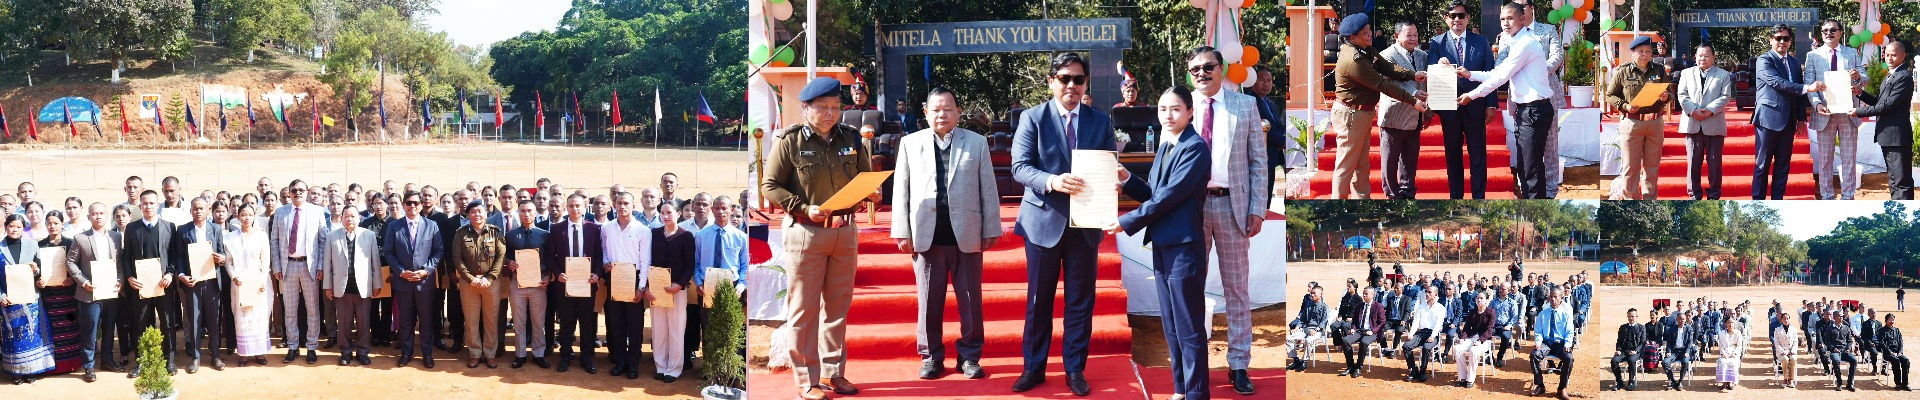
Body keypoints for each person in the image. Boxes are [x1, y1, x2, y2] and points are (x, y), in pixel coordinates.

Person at [763, 75, 880, 400]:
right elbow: (769, 186)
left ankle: (833, 373)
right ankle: (807, 381)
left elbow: (864, 176)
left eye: (835, 107)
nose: (830, 113)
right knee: (804, 309)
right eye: (823, 108)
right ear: (805, 108)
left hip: (844, 233)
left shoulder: (852, 138)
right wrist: (802, 207)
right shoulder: (789, 141)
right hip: (805, 233)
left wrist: (871, 192)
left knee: (838, 308)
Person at [1006, 51, 1115, 397]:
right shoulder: (1032, 118)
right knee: (1039, 301)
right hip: (1042, 223)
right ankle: (1034, 368)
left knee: (1080, 302)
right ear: (1051, 81)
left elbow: (1109, 166)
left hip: (1086, 224)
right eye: (1064, 78)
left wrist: (1112, 181)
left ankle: (1074, 369)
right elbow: (1020, 167)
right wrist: (1052, 181)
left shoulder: (1101, 121)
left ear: (1085, 84)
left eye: (1078, 79)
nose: (1071, 85)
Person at [1100, 85, 1213, 399]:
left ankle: (1197, 393)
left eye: (1175, 109)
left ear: (1190, 112)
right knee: (1172, 323)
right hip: (1164, 243)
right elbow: (1154, 191)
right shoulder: (1167, 145)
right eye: (1163, 109)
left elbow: (1169, 197)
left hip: (1184, 247)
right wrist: (1128, 181)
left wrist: (1126, 221)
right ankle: (1181, 388)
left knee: (1189, 326)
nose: (1168, 115)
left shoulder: (1195, 147)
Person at [890, 87, 1000, 380]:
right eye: (936, 109)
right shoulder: (910, 144)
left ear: (958, 112)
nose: (942, 114)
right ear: (925, 113)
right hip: (927, 236)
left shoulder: (976, 143)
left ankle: (970, 355)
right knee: (928, 301)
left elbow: (988, 188)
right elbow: (901, 190)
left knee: (970, 300)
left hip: (968, 234)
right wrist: (902, 230)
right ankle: (931, 356)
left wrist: (991, 227)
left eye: (948, 109)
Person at [1184, 45, 1267, 394]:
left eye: (1208, 67)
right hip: (1190, 211)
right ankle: (1192, 364)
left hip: (1233, 207)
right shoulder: (1179, 106)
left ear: (1221, 69)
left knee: (1236, 289)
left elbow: (1258, 163)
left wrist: (1257, 208)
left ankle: (1238, 365)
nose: (1202, 73)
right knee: (1189, 288)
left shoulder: (1245, 105)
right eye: (1195, 69)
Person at [1455, 3, 1553, 198]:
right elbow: (1496, 73)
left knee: (1531, 171)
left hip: (1534, 112)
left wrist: (1471, 95)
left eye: (1510, 18)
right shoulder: (1517, 42)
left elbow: (1500, 78)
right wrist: (1469, 74)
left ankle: (1535, 215)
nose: (1505, 23)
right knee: (1526, 168)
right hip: (1527, 112)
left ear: (1522, 19)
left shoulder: (1525, 44)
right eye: (1502, 19)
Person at [1331, 14, 1426, 199]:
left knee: (1361, 166)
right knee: (1345, 167)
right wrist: (1413, 100)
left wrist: (1412, 75)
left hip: (1361, 114)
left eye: (1369, 31)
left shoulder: (1365, 50)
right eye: (1365, 33)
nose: (1370, 35)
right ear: (1352, 38)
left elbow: (1387, 67)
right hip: (1351, 115)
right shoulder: (1354, 60)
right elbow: (1383, 84)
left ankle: (1361, 202)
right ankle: (1339, 202)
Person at [1427, 1, 1495, 199]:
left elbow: (1491, 74)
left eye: (1461, 15)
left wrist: (1491, 104)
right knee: (1453, 156)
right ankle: (1455, 196)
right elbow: (1430, 71)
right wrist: (1438, 63)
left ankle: (1478, 197)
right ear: (1446, 18)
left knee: (1478, 156)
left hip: (1476, 105)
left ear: (1467, 18)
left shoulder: (1481, 41)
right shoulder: (1437, 43)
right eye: (1452, 15)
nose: (1457, 19)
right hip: (1449, 107)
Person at [1754, 24, 1824, 199]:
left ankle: (1777, 200)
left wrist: (1801, 118)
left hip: (1789, 121)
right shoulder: (1764, 60)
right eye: (1778, 38)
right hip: (1767, 120)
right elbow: (1778, 83)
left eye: (1786, 38)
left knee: (1783, 165)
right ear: (1771, 40)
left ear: (1790, 41)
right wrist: (1808, 87)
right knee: (1762, 165)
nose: (1782, 42)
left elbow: (1799, 95)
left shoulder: (1794, 62)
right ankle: (1758, 200)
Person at [1805, 19, 1868, 200]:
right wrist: (1816, 104)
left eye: (1833, 30)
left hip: (1848, 112)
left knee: (1849, 159)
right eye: (1824, 31)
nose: (1828, 33)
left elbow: (1865, 78)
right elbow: (1809, 84)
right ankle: (1827, 197)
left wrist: (1858, 77)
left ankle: (1848, 197)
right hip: (1824, 113)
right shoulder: (1813, 56)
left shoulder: (1850, 53)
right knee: (1825, 161)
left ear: (1841, 32)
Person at [119, 190, 177, 376]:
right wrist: (129, 277)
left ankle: (169, 360)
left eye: (152, 203)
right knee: (140, 323)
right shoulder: (132, 228)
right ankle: (142, 361)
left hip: (163, 284)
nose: (148, 206)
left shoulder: (169, 227)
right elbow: (126, 257)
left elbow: (175, 255)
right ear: (140, 206)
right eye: (145, 203)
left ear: (158, 205)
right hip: (141, 286)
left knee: (167, 323)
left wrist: (170, 274)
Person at [543, 193, 603, 374]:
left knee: (587, 323)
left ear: (585, 207)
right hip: (565, 283)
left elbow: (600, 256)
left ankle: (586, 358)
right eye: (571, 206)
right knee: (567, 323)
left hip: (587, 283)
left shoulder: (593, 229)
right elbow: (550, 257)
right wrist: (557, 273)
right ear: (565, 208)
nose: (574, 209)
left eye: (578, 206)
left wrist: (597, 273)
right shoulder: (556, 229)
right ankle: (565, 356)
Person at [1605, 36, 1670, 200]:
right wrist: (1625, 106)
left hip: (1654, 123)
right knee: (1630, 167)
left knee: (1652, 167)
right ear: (1632, 53)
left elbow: (1669, 95)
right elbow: (1610, 95)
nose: (1644, 55)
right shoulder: (1622, 71)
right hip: (1631, 122)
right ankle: (1630, 200)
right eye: (1640, 51)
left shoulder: (1659, 70)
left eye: (1648, 51)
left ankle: (1649, 200)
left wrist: (1665, 97)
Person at [383, 190, 442, 369]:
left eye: (416, 203)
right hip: (403, 282)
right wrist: (401, 272)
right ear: (403, 205)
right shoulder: (394, 226)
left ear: (421, 204)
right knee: (406, 321)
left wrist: (426, 271)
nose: (412, 206)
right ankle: (406, 353)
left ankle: (427, 353)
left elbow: (438, 251)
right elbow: (389, 252)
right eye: (409, 203)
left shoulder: (432, 225)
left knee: (426, 320)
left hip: (424, 283)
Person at [1849, 39, 1915, 200]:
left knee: (1901, 181)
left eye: (1894, 55)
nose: (1889, 59)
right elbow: (1879, 102)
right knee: (1893, 179)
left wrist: (1858, 111)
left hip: (1897, 137)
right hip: (1888, 136)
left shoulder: (1904, 76)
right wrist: (1860, 93)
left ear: (1903, 56)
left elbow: (1888, 106)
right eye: (1887, 55)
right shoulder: (1890, 76)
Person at [271, 180, 327, 364]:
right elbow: (275, 242)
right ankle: (293, 347)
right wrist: (277, 267)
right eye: (293, 191)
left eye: (301, 190)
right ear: (290, 193)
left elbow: (322, 241)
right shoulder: (281, 212)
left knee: (312, 309)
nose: (297, 193)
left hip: (309, 266)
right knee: (290, 310)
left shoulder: (317, 211)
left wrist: (320, 266)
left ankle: (311, 347)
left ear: (307, 191)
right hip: (288, 266)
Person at [169, 198, 226, 373]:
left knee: (213, 320)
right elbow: (178, 256)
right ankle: (195, 357)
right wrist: (182, 275)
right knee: (194, 320)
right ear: (191, 211)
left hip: (211, 282)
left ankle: (215, 355)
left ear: (208, 210)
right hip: (192, 283)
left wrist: (221, 259)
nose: (198, 211)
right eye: (195, 209)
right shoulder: (183, 230)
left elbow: (222, 252)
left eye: (201, 208)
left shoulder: (215, 229)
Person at [65, 203, 121, 381]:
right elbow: (70, 262)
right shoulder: (81, 238)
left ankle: (107, 360)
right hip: (90, 292)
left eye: (102, 213)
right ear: (88, 217)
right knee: (90, 329)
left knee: (109, 328)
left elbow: (120, 263)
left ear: (107, 216)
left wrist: (120, 280)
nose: (98, 217)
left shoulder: (116, 237)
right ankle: (89, 365)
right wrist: (83, 282)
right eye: (94, 214)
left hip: (111, 291)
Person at [322, 204, 381, 367]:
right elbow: (327, 263)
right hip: (342, 288)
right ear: (341, 219)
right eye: (346, 216)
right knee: (344, 323)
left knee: (363, 323)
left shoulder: (368, 235)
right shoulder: (332, 236)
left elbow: (375, 261)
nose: (350, 219)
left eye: (353, 216)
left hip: (363, 287)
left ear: (359, 218)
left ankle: (362, 352)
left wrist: (377, 284)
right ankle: (345, 352)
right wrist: (328, 286)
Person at [1, 214, 54, 384]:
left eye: (18, 226)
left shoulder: (32, 245)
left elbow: (41, 273)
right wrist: (1, 296)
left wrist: (36, 270)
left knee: (32, 335)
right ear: (6, 227)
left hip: (30, 298)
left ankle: (31, 371)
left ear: (23, 228)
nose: (14, 229)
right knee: (15, 336)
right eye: (11, 226)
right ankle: (16, 372)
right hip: (9, 300)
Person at [1378, 21, 1429, 200]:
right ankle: (1392, 196)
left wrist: (1428, 111)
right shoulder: (1385, 55)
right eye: (1409, 35)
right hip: (1393, 116)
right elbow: (1389, 83)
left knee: (1410, 161)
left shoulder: (1422, 55)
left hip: (1415, 117)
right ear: (1396, 36)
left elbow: (1426, 81)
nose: (1413, 39)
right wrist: (1414, 93)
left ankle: (1408, 194)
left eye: (1415, 35)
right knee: (1390, 161)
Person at [1677, 44, 1732, 199]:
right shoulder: (1686, 73)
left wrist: (1709, 110)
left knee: (1714, 163)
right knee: (1693, 163)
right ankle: (1694, 194)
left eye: (1707, 55)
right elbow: (1682, 95)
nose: (1703, 58)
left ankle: (1714, 194)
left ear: (1713, 57)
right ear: (1695, 57)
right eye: (1700, 55)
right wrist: (1693, 111)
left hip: (1714, 123)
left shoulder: (1723, 75)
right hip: (1692, 123)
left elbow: (1725, 96)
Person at [502, 200, 550, 369]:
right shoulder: (511, 235)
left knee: (538, 321)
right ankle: (520, 354)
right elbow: (504, 257)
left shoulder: (544, 234)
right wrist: (509, 263)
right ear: (518, 213)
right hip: (518, 283)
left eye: (529, 210)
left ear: (535, 213)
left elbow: (550, 259)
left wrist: (548, 275)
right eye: (523, 211)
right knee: (519, 320)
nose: (526, 214)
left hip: (538, 284)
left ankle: (538, 353)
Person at [223, 203, 272, 367]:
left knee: (258, 317)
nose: (246, 218)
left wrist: (262, 279)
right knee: (241, 318)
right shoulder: (230, 238)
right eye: (243, 214)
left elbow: (265, 260)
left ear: (254, 217)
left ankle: (259, 352)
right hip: (239, 283)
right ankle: (243, 354)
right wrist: (234, 276)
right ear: (238, 216)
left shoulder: (261, 236)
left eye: (249, 215)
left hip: (258, 283)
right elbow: (227, 262)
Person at [651, 201, 694, 382]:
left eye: (669, 212)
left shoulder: (686, 236)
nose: (665, 216)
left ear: (678, 214)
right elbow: (648, 261)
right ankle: (660, 366)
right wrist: (647, 286)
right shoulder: (654, 234)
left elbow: (689, 265)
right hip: (657, 289)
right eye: (662, 213)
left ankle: (674, 368)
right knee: (659, 329)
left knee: (676, 329)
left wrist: (680, 285)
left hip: (676, 290)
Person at [1530, 287, 1573, 397]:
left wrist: (1567, 344)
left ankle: (1561, 388)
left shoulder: (1566, 314)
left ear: (1561, 298)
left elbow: (1569, 332)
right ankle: (1540, 385)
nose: (1553, 299)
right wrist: (1538, 342)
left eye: (1556, 297)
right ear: (1548, 298)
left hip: (1560, 344)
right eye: (1551, 297)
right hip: (1546, 343)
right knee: (1534, 355)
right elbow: (1538, 331)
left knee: (1569, 358)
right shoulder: (1542, 314)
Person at [1450, 294, 1492, 388]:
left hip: (1485, 340)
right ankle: (1463, 377)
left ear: (1486, 300)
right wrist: (1462, 338)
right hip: (1472, 338)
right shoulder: (1472, 312)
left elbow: (1489, 329)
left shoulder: (1490, 312)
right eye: (1478, 298)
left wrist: (1481, 340)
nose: (1479, 300)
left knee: (1474, 350)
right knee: (1457, 348)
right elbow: (1466, 327)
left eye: (1482, 298)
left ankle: (1470, 379)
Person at [1403, 289, 1445, 382]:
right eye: (1426, 292)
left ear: (1435, 294)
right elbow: (1416, 322)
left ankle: (1423, 370)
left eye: (1430, 292)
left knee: (1426, 347)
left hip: (1433, 334)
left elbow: (1438, 324)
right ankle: (1413, 369)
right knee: (1406, 346)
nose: (1427, 294)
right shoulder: (1421, 307)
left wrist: (1432, 336)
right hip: (1421, 333)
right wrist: (1411, 334)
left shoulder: (1440, 307)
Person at [1286, 287, 1328, 371]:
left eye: (1314, 293)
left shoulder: (1324, 307)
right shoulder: (1308, 306)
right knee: (1289, 338)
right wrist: (1296, 328)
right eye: (1311, 293)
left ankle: (1304, 361)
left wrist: (1316, 330)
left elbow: (1324, 321)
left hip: (1317, 330)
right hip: (1305, 328)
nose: (1312, 295)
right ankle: (1296, 360)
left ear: (1321, 294)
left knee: (1309, 340)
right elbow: (1302, 319)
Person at [1882, 314, 1910, 391]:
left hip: (1898, 352)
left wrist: (1900, 352)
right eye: (1890, 320)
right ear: (1886, 320)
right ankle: (1898, 383)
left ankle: (1905, 383)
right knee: (1896, 360)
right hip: (1888, 353)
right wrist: (1891, 352)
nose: (1892, 321)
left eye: (1893, 319)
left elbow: (1901, 342)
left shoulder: (1896, 330)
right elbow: (1882, 343)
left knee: (1905, 360)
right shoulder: (1882, 330)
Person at [1715, 316, 1742, 390]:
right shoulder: (1721, 333)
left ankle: (1730, 382)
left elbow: (1739, 346)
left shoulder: (1738, 333)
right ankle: (1724, 381)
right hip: (1725, 352)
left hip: (1734, 352)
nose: (1731, 324)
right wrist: (1723, 353)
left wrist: (1734, 353)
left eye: (1732, 322)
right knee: (1722, 361)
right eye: (1729, 322)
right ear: (1726, 324)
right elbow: (1720, 346)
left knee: (1732, 363)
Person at [1773, 311, 1799, 387]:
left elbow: (1795, 342)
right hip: (1782, 352)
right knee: (1785, 359)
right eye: (1784, 319)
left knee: (1793, 359)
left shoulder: (1793, 329)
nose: (1786, 320)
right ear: (1781, 320)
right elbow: (1776, 343)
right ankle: (1785, 378)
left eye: (1787, 319)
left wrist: (1793, 350)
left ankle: (1791, 379)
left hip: (1791, 351)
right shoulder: (1777, 330)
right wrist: (1782, 351)